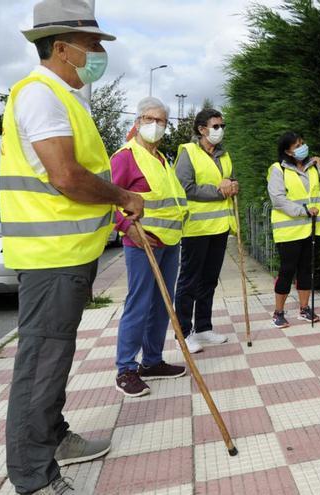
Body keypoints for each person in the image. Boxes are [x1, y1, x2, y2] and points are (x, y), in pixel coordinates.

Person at [0, 1, 145, 492]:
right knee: (41, 362)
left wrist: (116, 213)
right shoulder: (41, 95)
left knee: (54, 358)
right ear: (61, 48)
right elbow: (65, 176)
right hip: (50, 259)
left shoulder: (64, 97)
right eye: (92, 45)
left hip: (69, 256)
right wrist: (124, 196)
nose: (99, 54)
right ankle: (33, 477)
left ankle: (53, 436)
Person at [111, 97, 188, 397]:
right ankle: (126, 369)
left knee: (162, 303)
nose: (155, 125)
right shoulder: (125, 156)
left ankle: (152, 361)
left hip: (169, 243)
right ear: (138, 121)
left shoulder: (163, 159)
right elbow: (112, 200)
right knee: (139, 303)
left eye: (162, 121)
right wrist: (128, 227)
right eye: (149, 119)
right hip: (141, 243)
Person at [174, 108, 238, 353]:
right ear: (202, 129)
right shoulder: (188, 153)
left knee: (209, 280)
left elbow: (230, 180)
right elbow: (185, 188)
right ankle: (184, 332)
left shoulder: (224, 155)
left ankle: (203, 326)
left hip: (220, 227)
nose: (220, 130)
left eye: (222, 126)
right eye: (216, 126)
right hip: (196, 228)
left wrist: (233, 186)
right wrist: (219, 191)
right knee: (189, 281)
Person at [268, 132, 320, 325]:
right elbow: (278, 200)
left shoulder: (313, 168)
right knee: (287, 270)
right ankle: (278, 312)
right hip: (289, 230)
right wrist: (304, 210)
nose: (302, 147)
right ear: (287, 151)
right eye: (297, 145)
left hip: (311, 229)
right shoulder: (278, 169)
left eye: (302, 143)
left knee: (306, 270)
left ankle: (304, 309)